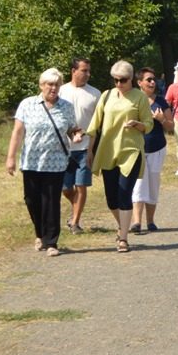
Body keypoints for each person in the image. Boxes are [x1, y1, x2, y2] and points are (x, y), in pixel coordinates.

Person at [6, 68, 79, 257]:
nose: (53, 88)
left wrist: (77, 135)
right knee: (31, 200)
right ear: (41, 85)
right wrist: (11, 157)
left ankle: (52, 241)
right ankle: (40, 233)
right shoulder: (28, 104)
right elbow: (18, 132)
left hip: (56, 163)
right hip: (31, 162)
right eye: (49, 84)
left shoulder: (66, 106)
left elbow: (72, 129)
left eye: (56, 84)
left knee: (51, 202)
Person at [86, 60, 153, 252]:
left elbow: (148, 125)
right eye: (115, 80)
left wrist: (137, 124)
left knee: (125, 194)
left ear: (131, 78)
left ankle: (123, 238)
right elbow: (94, 125)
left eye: (122, 80)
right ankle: (122, 225)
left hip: (130, 152)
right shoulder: (107, 96)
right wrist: (89, 150)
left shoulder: (139, 97)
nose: (118, 84)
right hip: (108, 151)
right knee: (111, 199)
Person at [58, 57, 100, 234]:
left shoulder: (95, 94)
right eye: (84, 70)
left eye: (89, 71)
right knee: (66, 188)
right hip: (63, 148)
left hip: (84, 148)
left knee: (81, 185)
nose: (87, 74)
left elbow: (97, 124)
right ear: (73, 71)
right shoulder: (60, 91)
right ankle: (76, 207)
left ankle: (75, 222)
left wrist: (91, 149)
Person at [130, 67, 172, 233]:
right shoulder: (134, 100)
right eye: (148, 80)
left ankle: (151, 221)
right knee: (139, 184)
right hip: (138, 148)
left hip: (157, 148)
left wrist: (162, 120)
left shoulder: (161, 101)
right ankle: (136, 222)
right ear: (139, 83)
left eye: (153, 79)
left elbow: (171, 126)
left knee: (153, 184)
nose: (153, 82)